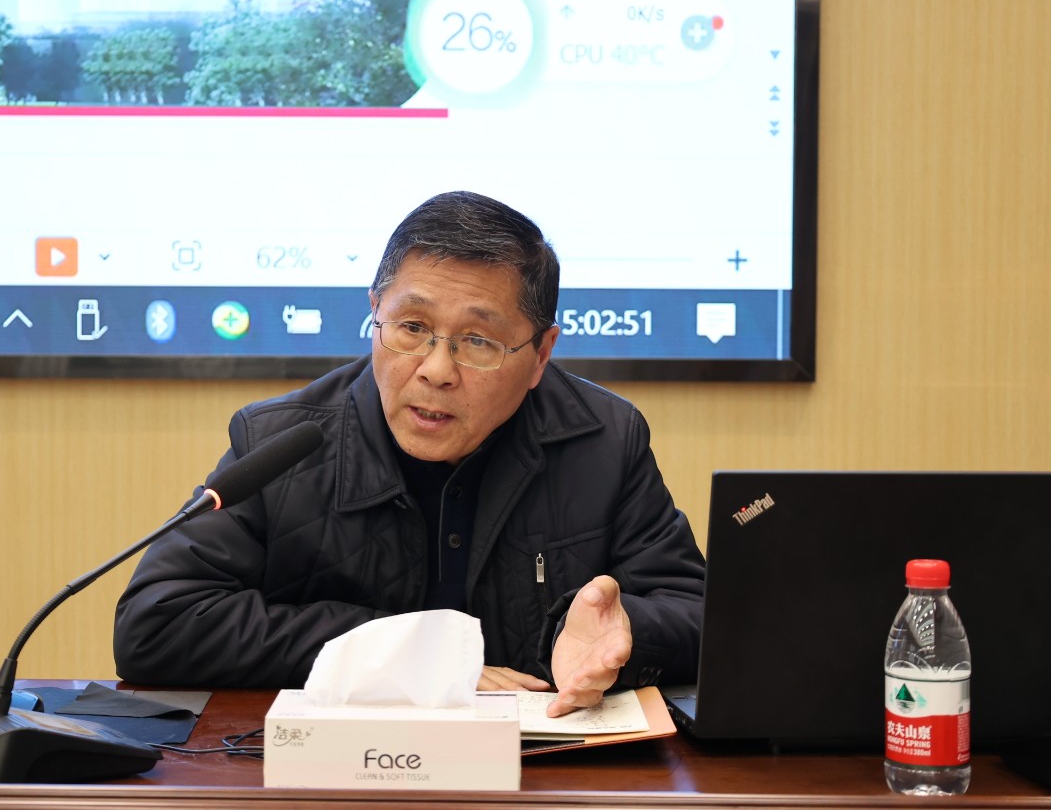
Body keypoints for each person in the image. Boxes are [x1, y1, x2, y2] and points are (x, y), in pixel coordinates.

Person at [114, 191, 705, 717]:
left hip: (539, 775)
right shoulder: (282, 444)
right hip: (337, 776)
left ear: (541, 354)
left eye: (478, 340)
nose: (436, 370)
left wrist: (629, 634)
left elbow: (700, 614)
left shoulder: (604, 440)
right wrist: (399, 654)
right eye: (412, 328)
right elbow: (156, 624)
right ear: (376, 312)